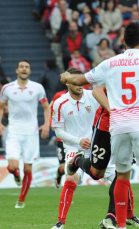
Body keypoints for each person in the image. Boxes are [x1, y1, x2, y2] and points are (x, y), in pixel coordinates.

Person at [59, 22, 139, 229]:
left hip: (117, 127)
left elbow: (82, 79)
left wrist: (66, 76)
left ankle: (119, 225)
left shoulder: (110, 63)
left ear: (123, 41)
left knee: (122, 175)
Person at [50, 68, 100, 229]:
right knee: (71, 179)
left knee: (116, 177)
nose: (80, 84)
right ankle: (60, 222)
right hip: (73, 147)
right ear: (67, 82)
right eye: (75, 81)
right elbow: (58, 131)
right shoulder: (59, 103)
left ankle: (128, 216)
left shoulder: (93, 96)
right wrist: (79, 140)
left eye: (81, 80)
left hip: (96, 146)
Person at [0, 60, 50, 208]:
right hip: (14, 131)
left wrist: (46, 124)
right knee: (13, 166)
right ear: (16, 70)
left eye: (27, 67)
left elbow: (46, 107)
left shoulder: (37, 88)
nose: (24, 69)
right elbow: (1, 106)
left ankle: (21, 199)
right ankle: (16, 175)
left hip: (31, 132)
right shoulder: (8, 88)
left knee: (28, 168)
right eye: (21, 67)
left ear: (29, 71)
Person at [50, 89, 68, 189]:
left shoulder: (84, 95)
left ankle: (68, 193)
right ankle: (58, 174)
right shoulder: (59, 95)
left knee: (72, 170)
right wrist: (51, 123)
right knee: (63, 167)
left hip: (75, 139)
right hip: (61, 139)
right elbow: (51, 109)